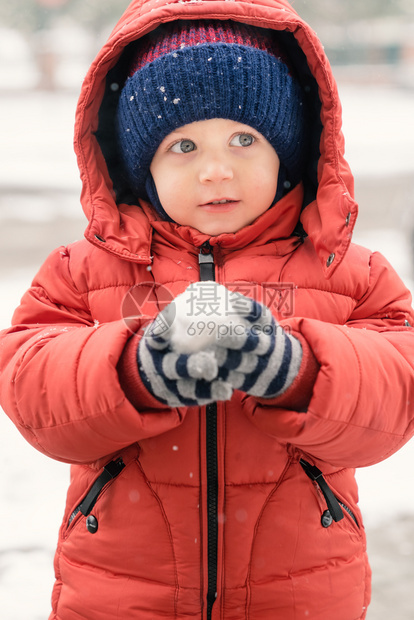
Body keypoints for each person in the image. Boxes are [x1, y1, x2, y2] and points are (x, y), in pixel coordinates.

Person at [1, 1, 414, 618]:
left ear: (288, 150)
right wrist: (134, 371)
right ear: (142, 168)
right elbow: (32, 385)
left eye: (244, 139)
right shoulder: (82, 271)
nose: (216, 169)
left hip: (297, 594)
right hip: (122, 593)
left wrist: (297, 370)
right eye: (184, 145)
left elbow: (397, 389)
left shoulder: (347, 271)